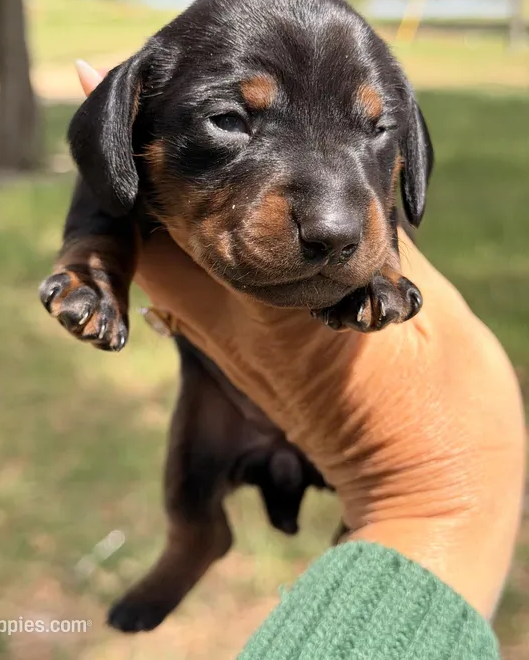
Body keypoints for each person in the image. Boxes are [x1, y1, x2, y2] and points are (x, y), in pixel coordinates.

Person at [74, 60, 525, 659]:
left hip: (352, 424)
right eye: (230, 119)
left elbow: (364, 199)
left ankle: (347, 542)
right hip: (220, 391)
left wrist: (381, 260)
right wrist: (94, 260)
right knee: (192, 473)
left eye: (374, 129)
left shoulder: (355, 215)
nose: (333, 221)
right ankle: (194, 540)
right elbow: (102, 194)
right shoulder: (140, 131)